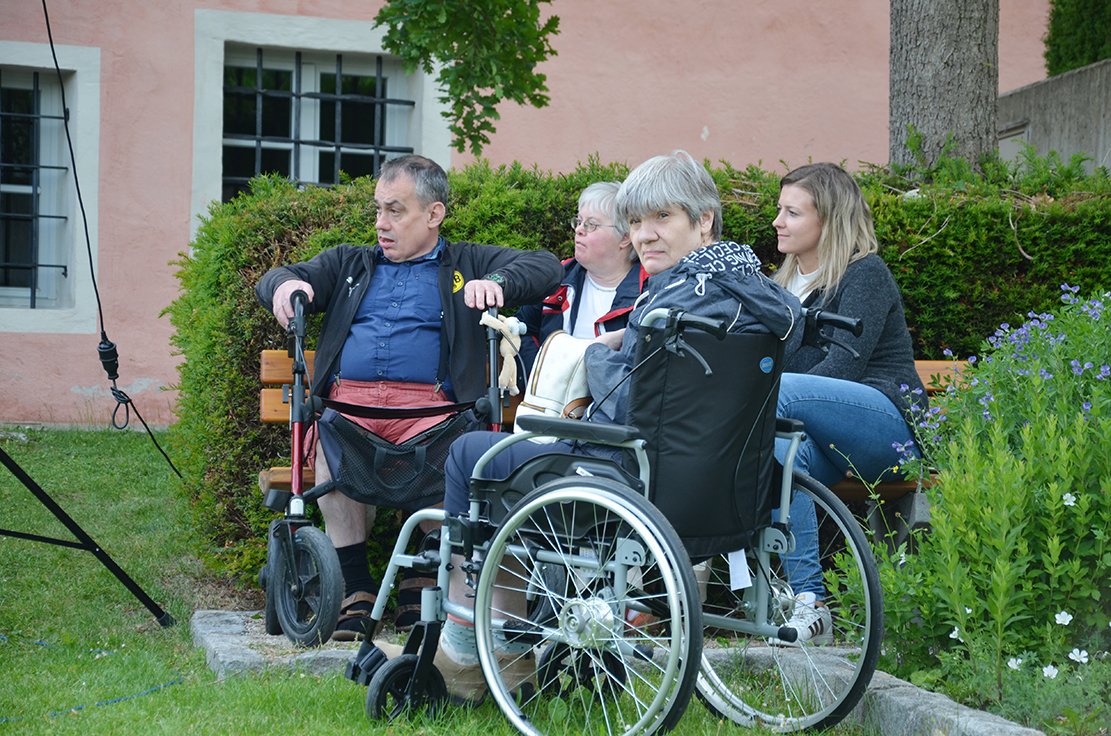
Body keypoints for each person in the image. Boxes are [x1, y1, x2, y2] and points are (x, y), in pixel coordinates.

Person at [412, 151, 800, 703]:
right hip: (725, 492)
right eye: (636, 221)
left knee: (473, 454)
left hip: (628, 479)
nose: (645, 235)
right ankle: (505, 636)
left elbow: (625, 402)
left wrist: (596, 354)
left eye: (662, 217)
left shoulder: (670, 300)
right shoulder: (759, 298)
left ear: (704, 220)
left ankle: (476, 644)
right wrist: (624, 342)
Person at [255, 155, 562, 640]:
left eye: (395, 211)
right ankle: (354, 589)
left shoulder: (467, 262)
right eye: (378, 209)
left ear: (434, 214)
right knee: (328, 440)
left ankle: (422, 579)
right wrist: (285, 284)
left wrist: (497, 284)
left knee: (458, 448)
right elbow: (283, 275)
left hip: (434, 419)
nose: (381, 223)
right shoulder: (350, 263)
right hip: (349, 415)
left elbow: (544, 267)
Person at [769, 162, 927, 644]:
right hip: (819, 434)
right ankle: (811, 604)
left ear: (830, 219)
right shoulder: (779, 288)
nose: (777, 221)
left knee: (775, 394)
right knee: (780, 457)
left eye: (792, 212)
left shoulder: (865, 274)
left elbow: (842, 367)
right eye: (780, 209)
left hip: (886, 431)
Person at [516, 181, 645, 373]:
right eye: (578, 221)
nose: (578, 230)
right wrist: (542, 376)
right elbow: (521, 330)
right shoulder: (556, 279)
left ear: (625, 237)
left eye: (591, 225)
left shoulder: (649, 292)